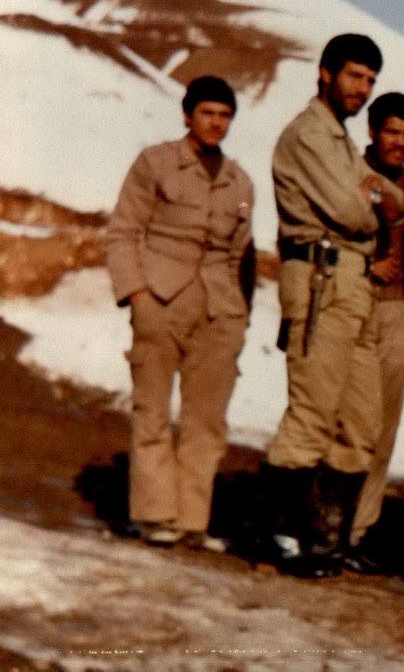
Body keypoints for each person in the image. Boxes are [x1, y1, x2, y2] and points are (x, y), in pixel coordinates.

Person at [262, 34, 404, 578]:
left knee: (362, 423)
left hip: (363, 290)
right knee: (313, 410)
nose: (362, 88)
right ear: (326, 73)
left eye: (371, 81)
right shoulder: (315, 137)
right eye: (355, 76)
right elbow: (355, 210)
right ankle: (281, 535)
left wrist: (385, 201)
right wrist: (379, 205)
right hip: (326, 280)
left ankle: (327, 538)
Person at [106, 75, 254, 552]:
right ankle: (154, 514)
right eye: (207, 112)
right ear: (188, 115)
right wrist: (136, 295)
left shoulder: (239, 181)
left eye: (225, 115)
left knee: (206, 419)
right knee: (152, 409)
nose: (216, 123)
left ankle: (192, 519)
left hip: (218, 308)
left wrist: (239, 316)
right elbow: (124, 231)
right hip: (161, 297)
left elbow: (240, 255)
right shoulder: (156, 162)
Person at [341, 92, 404, 573]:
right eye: (392, 131)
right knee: (338, 416)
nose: (399, 142)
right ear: (373, 131)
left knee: (382, 424)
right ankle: (323, 521)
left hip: (396, 312)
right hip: (348, 303)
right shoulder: (347, 171)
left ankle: (358, 530)